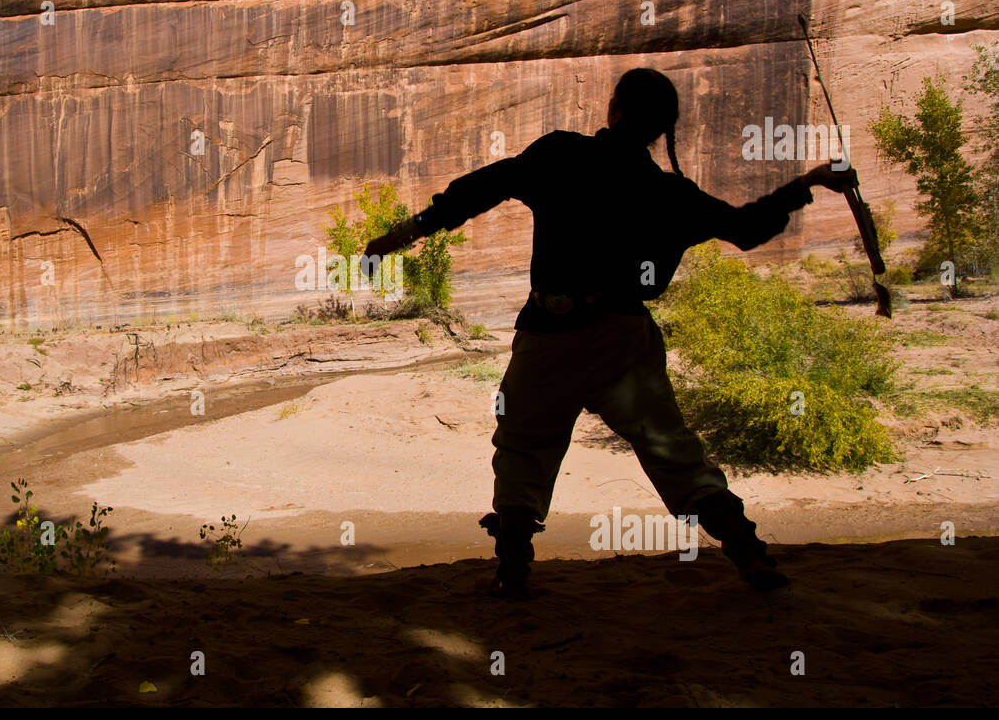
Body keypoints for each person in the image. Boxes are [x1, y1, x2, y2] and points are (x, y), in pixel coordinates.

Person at [362, 68, 857, 599]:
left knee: (525, 446)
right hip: (624, 339)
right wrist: (806, 184)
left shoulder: (560, 155)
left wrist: (400, 235)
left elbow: (482, 188)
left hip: (550, 333)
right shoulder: (668, 192)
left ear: (615, 109)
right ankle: (749, 555)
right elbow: (747, 227)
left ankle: (512, 568)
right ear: (662, 127)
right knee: (673, 452)